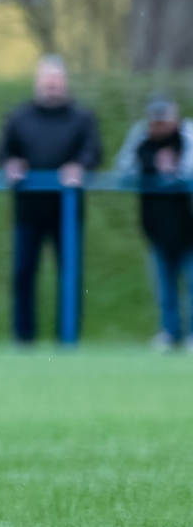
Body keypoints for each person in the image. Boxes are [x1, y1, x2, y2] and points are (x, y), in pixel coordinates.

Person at [0, 56, 102, 345]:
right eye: (46, 79)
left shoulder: (82, 118)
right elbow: (3, 153)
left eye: (56, 79)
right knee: (23, 273)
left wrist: (79, 166)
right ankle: (23, 337)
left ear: (64, 82)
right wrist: (11, 164)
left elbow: (93, 151)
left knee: (70, 274)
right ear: (37, 82)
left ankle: (67, 337)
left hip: (67, 211)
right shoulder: (19, 117)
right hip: (28, 210)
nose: (51, 85)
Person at [115, 96, 193, 350]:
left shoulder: (187, 137)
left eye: (164, 121)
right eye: (155, 122)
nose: (159, 127)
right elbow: (123, 170)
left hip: (189, 225)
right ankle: (169, 332)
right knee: (164, 286)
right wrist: (150, 166)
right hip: (157, 227)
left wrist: (176, 170)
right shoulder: (142, 140)